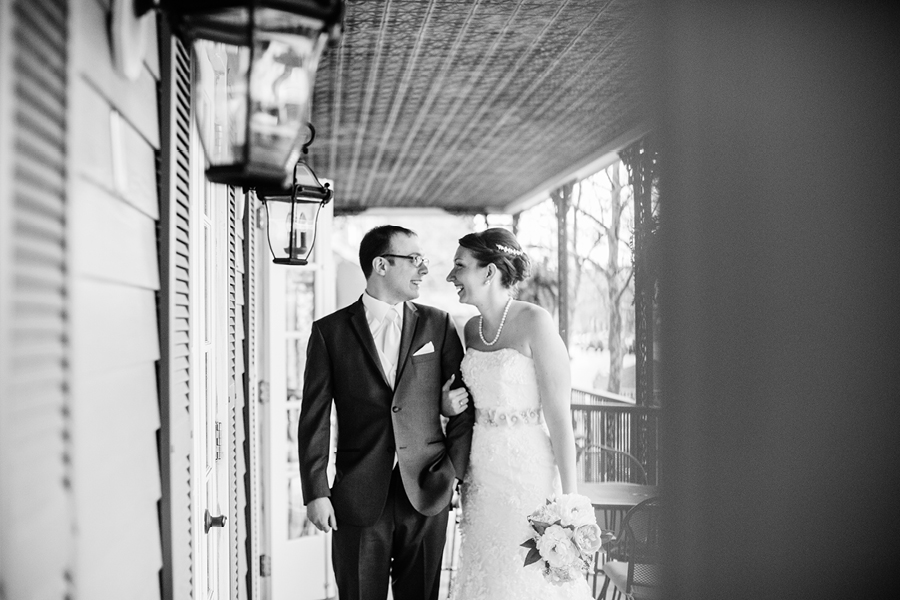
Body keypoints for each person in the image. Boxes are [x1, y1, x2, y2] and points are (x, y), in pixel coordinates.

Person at [297, 225, 475, 600]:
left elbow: (464, 403)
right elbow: (314, 416)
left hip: (428, 491)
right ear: (380, 264)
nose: (424, 270)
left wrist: (453, 472)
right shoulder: (330, 332)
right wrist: (316, 491)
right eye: (414, 260)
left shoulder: (438, 323)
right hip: (357, 493)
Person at [443, 228, 593, 599]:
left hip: (527, 471)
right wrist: (447, 408)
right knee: (485, 569)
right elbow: (473, 402)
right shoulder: (471, 329)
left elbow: (560, 418)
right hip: (481, 471)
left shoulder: (536, 321)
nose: (451, 277)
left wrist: (569, 503)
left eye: (459, 266)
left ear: (489, 272)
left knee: (526, 573)